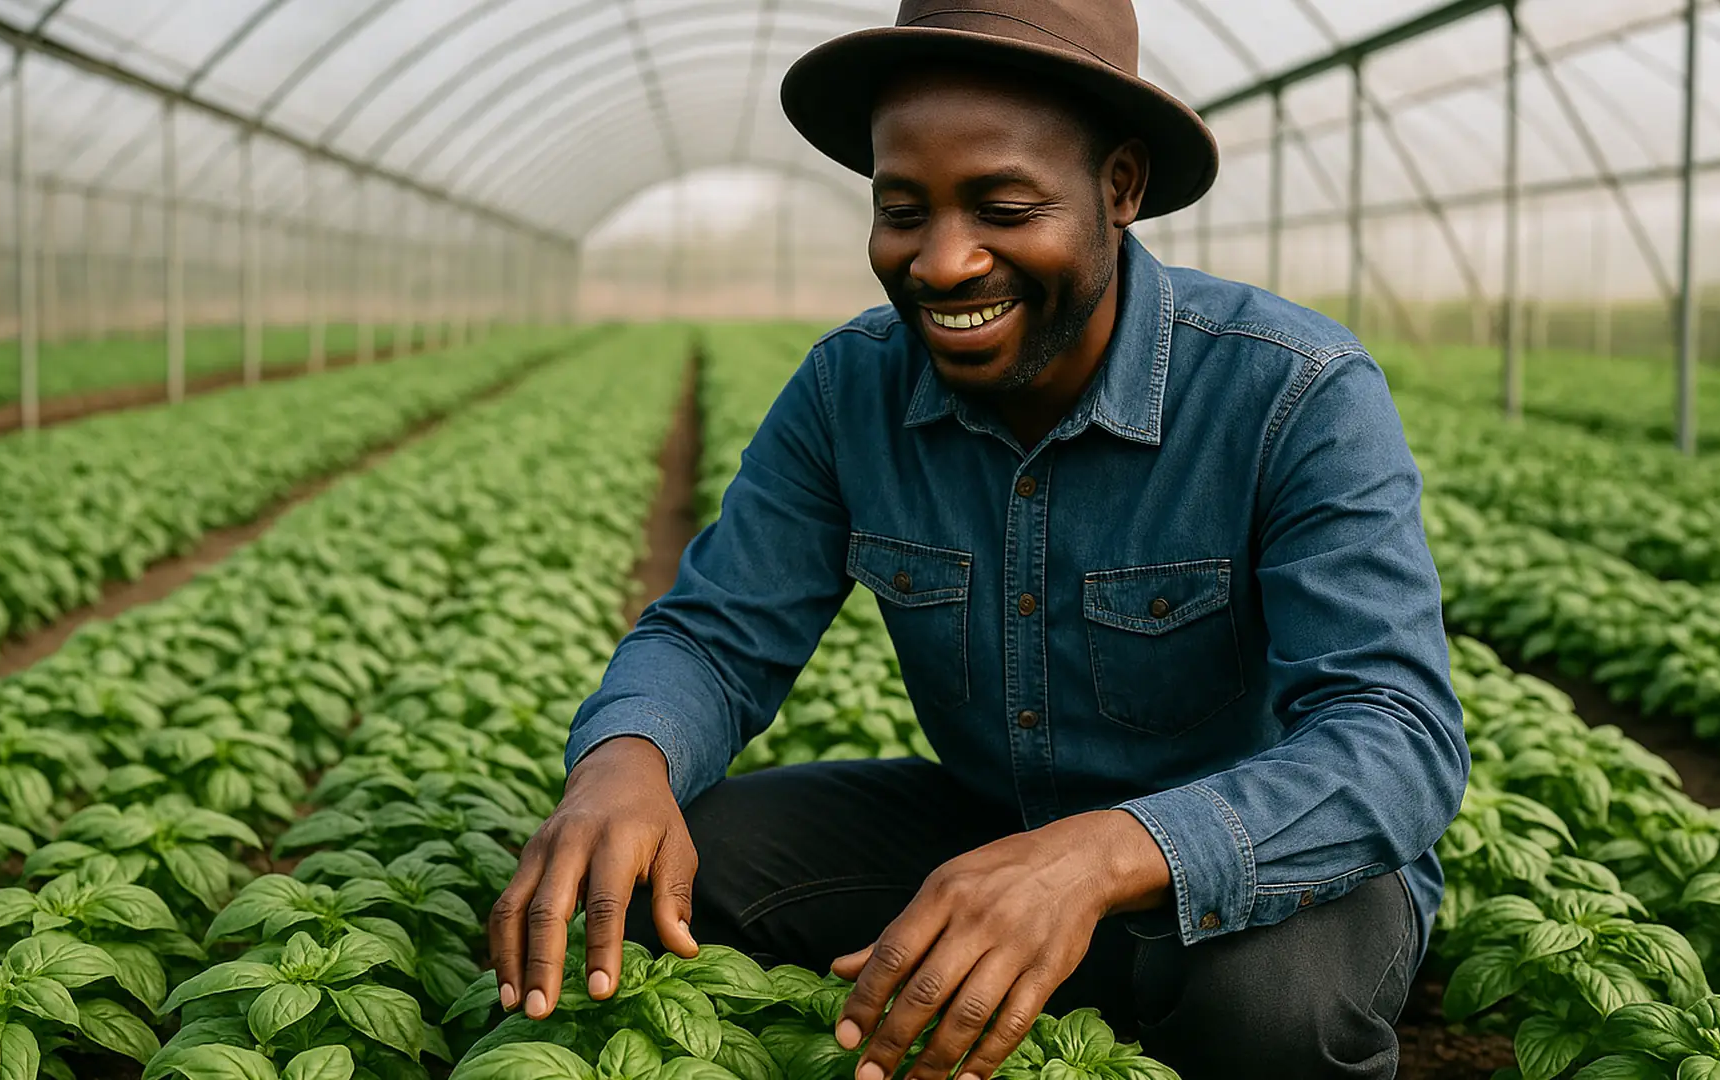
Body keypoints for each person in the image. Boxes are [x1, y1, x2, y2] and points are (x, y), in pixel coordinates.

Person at [487, 1, 1469, 1077]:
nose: (944, 262)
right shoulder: (848, 390)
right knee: (655, 874)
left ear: (1121, 188)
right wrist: (624, 762)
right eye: (903, 210)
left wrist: (1097, 858)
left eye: (1003, 206)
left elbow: (1395, 736)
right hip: (990, 824)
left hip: (1262, 865)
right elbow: (718, 636)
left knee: (1271, 1008)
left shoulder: (1291, 391)